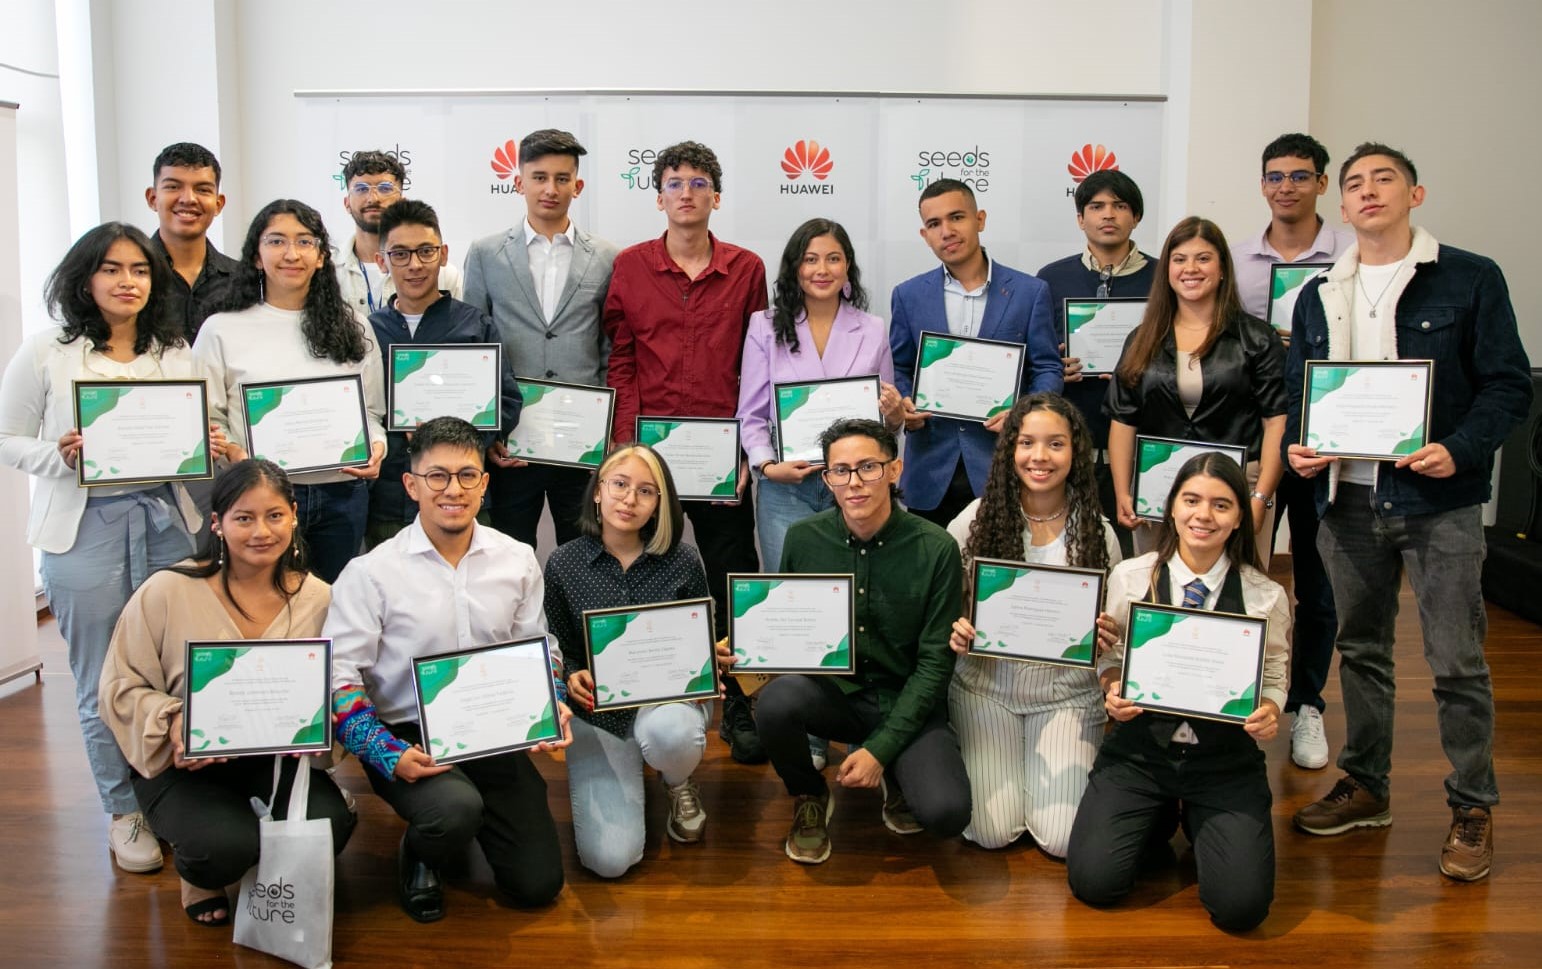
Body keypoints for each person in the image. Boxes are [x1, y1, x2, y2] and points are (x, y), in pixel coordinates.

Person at [1285, 142, 1533, 882]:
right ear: (1341, 201)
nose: (1367, 192)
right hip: (1347, 500)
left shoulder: (1470, 276)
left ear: (1415, 195)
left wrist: (1459, 448)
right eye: (1355, 183)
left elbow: (1508, 385)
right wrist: (1307, 448)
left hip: (1437, 499)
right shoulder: (1319, 291)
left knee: (1456, 659)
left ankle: (1471, 803)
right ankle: (1368, 783)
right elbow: (1308, 391)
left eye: (1383, 179)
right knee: (1360, 650)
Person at [0, 222, 221, 872]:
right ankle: (125, 811)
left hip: (170, 523)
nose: (127, 281)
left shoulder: (176, 353)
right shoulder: (47, 351)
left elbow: (209, 446)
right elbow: (7, 436)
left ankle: (178, 800)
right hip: (83, 527)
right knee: (102, 676)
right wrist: (62, 455)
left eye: (140, 270)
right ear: (85, 276)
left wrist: (212, 445)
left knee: (180, 667)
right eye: (112, 268)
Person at [326, 417, 571, 921]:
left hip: (494, 727)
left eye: (466, 475)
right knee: (452, 811)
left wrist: (554, 702)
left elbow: (539, 647)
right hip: (409, 737)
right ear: (412, 485)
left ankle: (468, 817)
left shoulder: (518, 559)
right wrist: (386, 753)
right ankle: (423, 850)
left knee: (537, 885)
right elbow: (339, 681)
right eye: (437, 476)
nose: (452, 490)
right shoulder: (370, 573)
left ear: (485, 483)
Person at [98, 459, 355, 926]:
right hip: (185, 764)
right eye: (244, 517)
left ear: (294, 515)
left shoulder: (318, 598)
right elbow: (119, 685)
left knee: (329, 826)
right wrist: (173, 719)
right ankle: (201, 873)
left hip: (277, 762)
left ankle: (257, 851)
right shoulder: (168, 591)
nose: (261, 531)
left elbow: (340, 684)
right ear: (217, 523)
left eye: (274, 515)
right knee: (223, 846)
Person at [1066, 452, 1289, 932]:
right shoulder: (1130, 578)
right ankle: (1161, 813)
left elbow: (1273, 672)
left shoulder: (1264, 595)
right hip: (1140, 754)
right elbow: (1108, 659)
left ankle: (1198, 817)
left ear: (1238, 519)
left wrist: (1270, 709)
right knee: (1094, 884)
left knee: (1241, 911)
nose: (1203, 516)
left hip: (1222, 763)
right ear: (1171, 507)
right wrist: (1111, 689)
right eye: (1191, 500)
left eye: (1221, 505)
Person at [741, 418, 971, 864]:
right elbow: (787, 632)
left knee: (947, 814)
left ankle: (895, 770)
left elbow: (934, 666)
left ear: (895, 469)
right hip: (836, 699)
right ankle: (808, 795)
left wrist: (879, 751)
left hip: (908, 700)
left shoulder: (937, 548)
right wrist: (748, 654)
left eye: (868, 467)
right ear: (827, 478)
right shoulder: (804, 539)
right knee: (775, 702)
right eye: (840, 471)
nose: (854, 482)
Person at [604, 140, 768, 763]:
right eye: (675, 183)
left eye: (700, 183)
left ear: (716, 196)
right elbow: (621, 358)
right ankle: (651, 693)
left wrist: (751, 445)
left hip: (723, 454)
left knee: (731, 573)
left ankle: (742, 701)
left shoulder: (747, 268)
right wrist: (626, 448)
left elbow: (758, 364)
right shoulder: (632, 266)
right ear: (659, 196)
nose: (687, 193)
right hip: (650, 456)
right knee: (647, 573)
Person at [943, 392, 1120, 857]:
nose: (1039, 457)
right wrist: (957, 630)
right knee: (990, 831)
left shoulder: (1098, 532)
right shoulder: (972, 522)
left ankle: (1035, 784)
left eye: (1055, 444)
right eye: (1027, 443)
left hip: (1067, 694)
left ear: (1075, 452)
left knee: (1063, 840)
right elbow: (943, 613)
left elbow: (1116, 631)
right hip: (986, 690)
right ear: (1010, 451)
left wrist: (1106, 638)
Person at [1229, 133, 1353, 772]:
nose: (1286, 187)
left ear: (1322, 183)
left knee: (1317, 580)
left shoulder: (1350, 258)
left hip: (1326, 443)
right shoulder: (1240, 264)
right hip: (1252, 441)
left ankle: (1307, 703)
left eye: (1300, 176)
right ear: (1262, 185)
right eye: (1274, 176)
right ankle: (1232, 693)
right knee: (1242, 574)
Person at [194, 199, 387, 584]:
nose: (291, 254)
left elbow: (372, 413)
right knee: (262, 608)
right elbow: (206, 419)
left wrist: (378, 447)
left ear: (320, 257)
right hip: (258, 499)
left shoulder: (355, 327)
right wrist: (234, 452)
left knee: (334, 608)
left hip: (342, 495)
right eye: (277, 241)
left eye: (304, 242)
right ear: (256, 255)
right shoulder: (222, 329)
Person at [543, 445, 713, 877]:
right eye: (619, 484)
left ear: (659, 504)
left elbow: (699, 640)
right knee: (611, 861)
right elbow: (559, 647)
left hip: (667, 704)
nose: (629, 499)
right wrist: (571, 676)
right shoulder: (563, 563)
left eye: (645, 491)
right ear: (598, 491)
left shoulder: (683, 560)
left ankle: (676, 781)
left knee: (671, 734)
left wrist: (709, 664)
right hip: (600, 713)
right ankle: (633, 763)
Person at [463, 128, 619, 552]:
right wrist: (488, 429)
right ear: (519, 182)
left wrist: (607, 432)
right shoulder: (485, 253)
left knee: (586, 555)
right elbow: (475, 349)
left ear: (577, 185)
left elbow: (609, 349)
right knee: (507, 557)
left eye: (562, 178)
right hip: (512, 443)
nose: (551, 189)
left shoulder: (608, 257)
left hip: (582, 443)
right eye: (539, 177)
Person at [1105, 217, 1287, 555]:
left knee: (1236, 596)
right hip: (1158, 486)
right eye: (1179, 259)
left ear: (1221, 269)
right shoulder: (1141, 340)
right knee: (1158, 592)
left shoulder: (1257, 338)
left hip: (1236, 488)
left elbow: (1277, 422)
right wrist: (1122, 492)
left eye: (1203, 258)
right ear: (1168, 271)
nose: (1191, 268)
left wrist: (1261, 496)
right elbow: (1123, 419)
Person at [890, 178, 1063, 530]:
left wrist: (1023, 414)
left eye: (957, 217)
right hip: (931, 466)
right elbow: (899, 366)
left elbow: (1047, 367)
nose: (947, 231)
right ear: (924, 235)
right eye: (934, 224)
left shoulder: (1029, 292)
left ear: (979, 219)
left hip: (1001, 460)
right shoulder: (908, 295)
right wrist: (905, 402)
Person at [365, 199, 521, 547]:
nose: (415, 265)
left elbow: (507, 402)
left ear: (444, 253)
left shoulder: (474, 325)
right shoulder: (367, 332)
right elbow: (361, 412)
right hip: (390, 500)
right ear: (382, 261)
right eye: (400, 254)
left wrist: (453, 440)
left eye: (425, 251)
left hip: (463, 495)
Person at [1036, 169, 1157, 558]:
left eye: (1120, 206)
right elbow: (1036, 356)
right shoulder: (1051, 279)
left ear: (1135, 216)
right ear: (1080, 218)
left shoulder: (1163, 276)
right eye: (1097, 206)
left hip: (1141, 449)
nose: (1108, 215)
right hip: (1074, 448)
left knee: (1138, 559)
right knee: (1072, 555)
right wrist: (1056, 366)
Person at [335, 150, 463, 318]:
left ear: (402, 201)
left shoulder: (442, 274)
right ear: (346, 203)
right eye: (361, 188)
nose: (373, 198)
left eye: (385, 188)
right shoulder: (329, 271)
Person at [142, 142, 239, 340]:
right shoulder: (129, 278)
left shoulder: (242, 280)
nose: (188, 199)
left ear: (219, 204)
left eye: (202, 189)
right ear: (152, 198)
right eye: (173, 187)